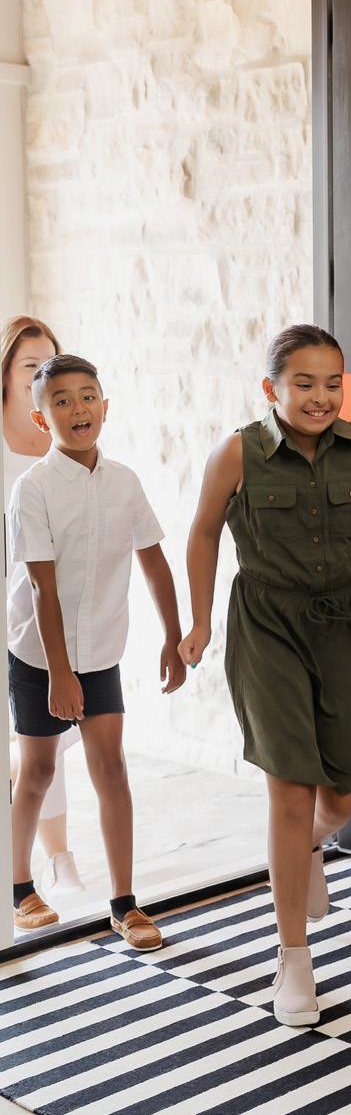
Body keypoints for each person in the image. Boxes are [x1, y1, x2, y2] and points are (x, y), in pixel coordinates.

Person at [179, 324, 351, 1028]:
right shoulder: (237, 453)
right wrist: (198, 622)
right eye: (304, 383)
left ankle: (312, 843)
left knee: (340, 799)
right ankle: (293, 958)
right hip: (267, 628)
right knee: (288, 792)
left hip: (345, 626)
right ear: (271, 389)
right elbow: (202, 532)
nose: (321, 397)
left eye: (333, 383)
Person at [8, 354, 185, 943]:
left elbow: (154, 561)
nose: (77, 408)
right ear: (42, 419)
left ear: (104, 407)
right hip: (39, 654)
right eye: (61, 401)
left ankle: (125, 905)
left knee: (111, 768)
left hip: (101, 649)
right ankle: (19, 887)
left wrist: (172, 636)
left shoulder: (124, 482)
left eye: (87, 397)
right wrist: (60, 674)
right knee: (38, 770)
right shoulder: (32, 489)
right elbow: (42, 587)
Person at [3, 317, 86, 905]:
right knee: (36, 747)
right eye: (30, 365)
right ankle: (44, 865)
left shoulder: (64, 448)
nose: (42, 375)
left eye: (49, 364)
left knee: (45, 744)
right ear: (7, 374)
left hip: (49, 615)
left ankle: (56, 859)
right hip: (11, 615)